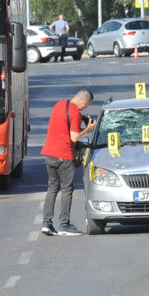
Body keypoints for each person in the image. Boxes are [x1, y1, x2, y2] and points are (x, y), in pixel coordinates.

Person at [40, 87, 95, 237]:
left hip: (49, 154)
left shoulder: (59, 104)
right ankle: (64, 224)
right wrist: (88, 128)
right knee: (66, 190)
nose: (86, 107)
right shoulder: (75, 113)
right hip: (64, 156)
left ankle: (47, 223)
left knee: (52, 188)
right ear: (84, 101)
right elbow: (75, 138)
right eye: (87, 104)